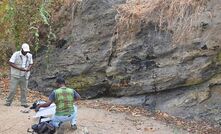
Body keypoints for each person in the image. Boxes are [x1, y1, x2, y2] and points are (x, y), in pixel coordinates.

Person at [5, 43, 33, 108]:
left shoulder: (29, 55)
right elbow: (10, 62)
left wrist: (29, 68)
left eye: (27, 51)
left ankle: (24, 103)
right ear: (22, 49)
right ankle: (8, 102)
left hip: (25, 75)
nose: (26, 52)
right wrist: (19, 68)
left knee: (24, 90)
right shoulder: (16, 54)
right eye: (25, 51)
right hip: (15, 75)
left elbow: (31, 63)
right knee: (12, 89)